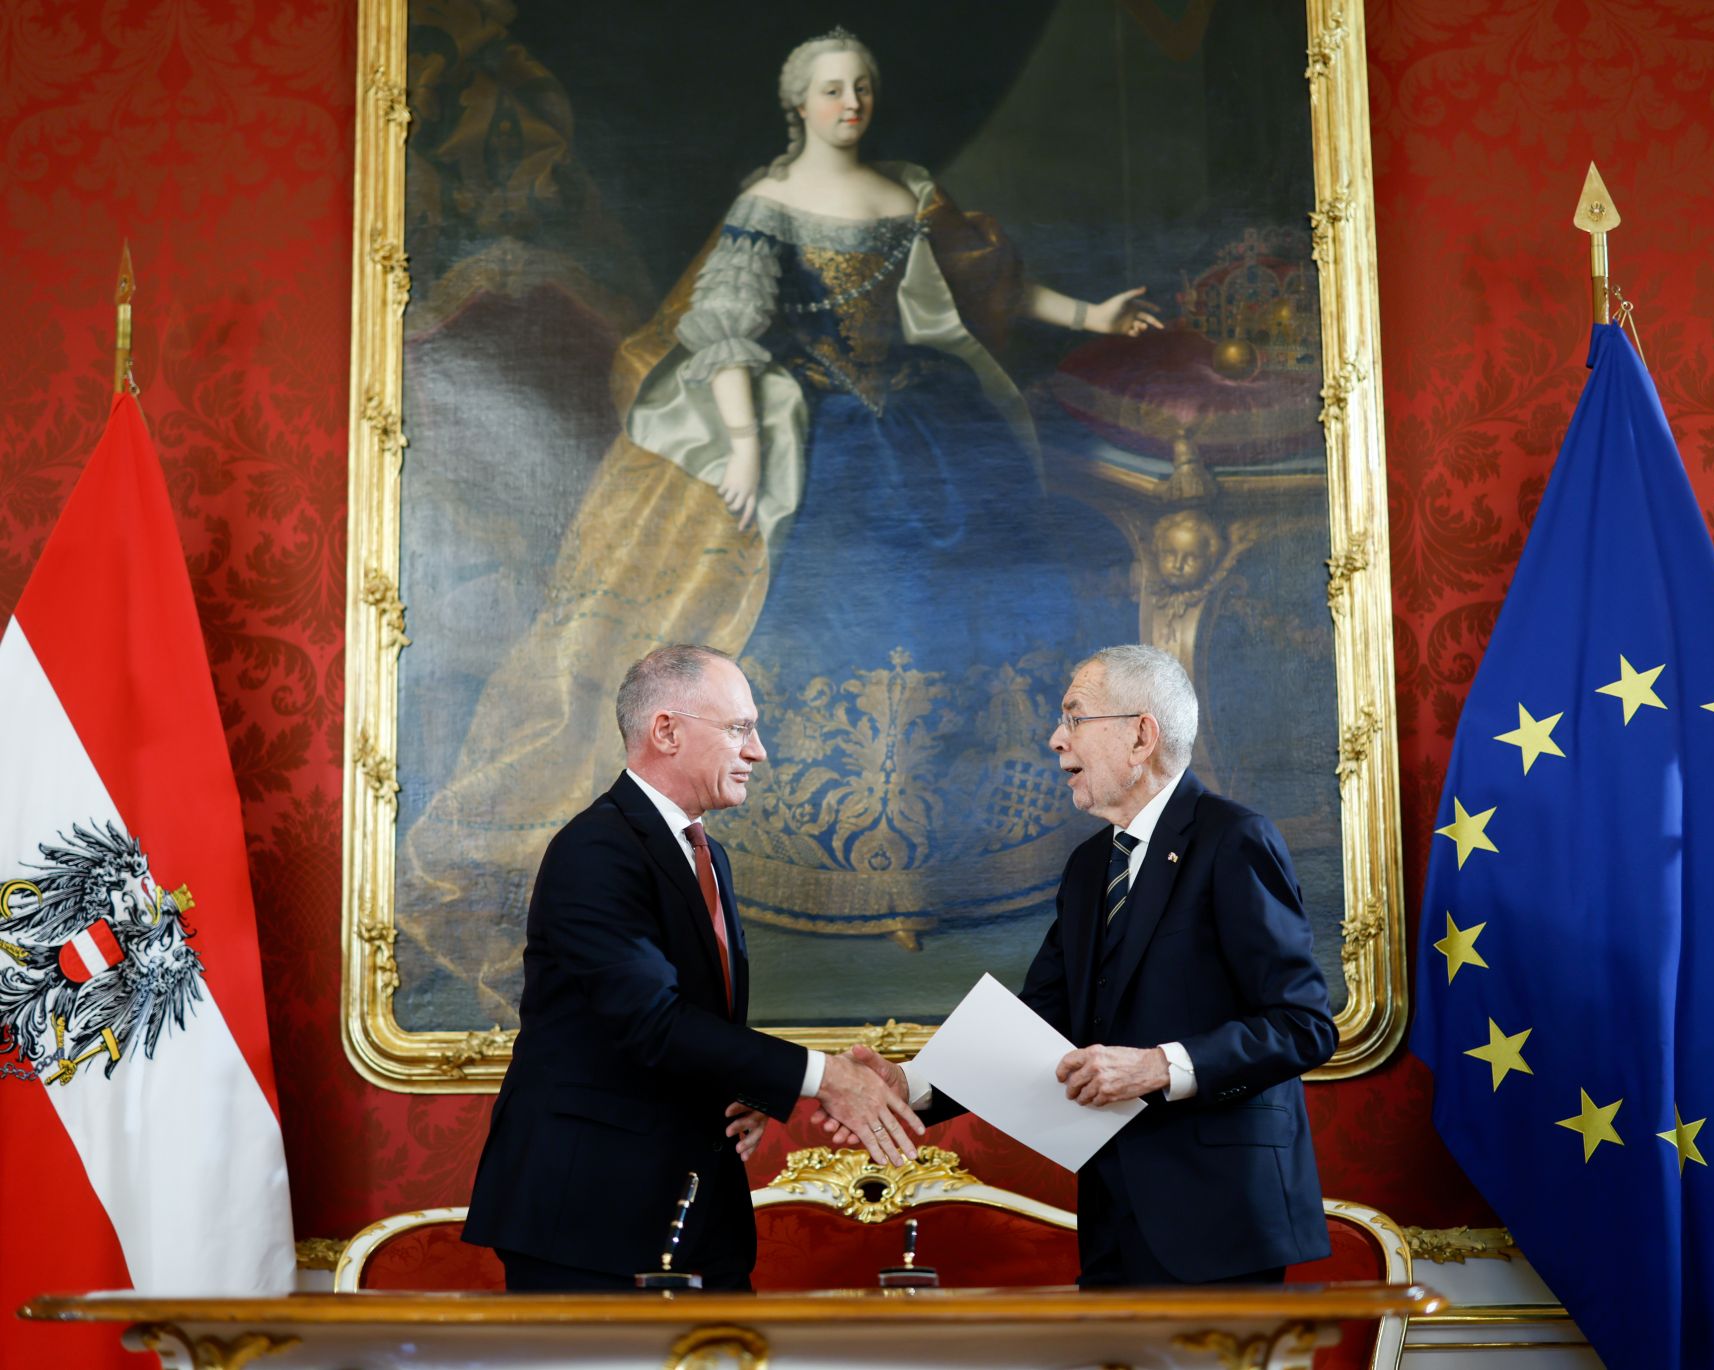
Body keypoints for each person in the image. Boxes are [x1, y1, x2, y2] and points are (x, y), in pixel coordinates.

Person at [400, 26, 1157, 968]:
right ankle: (802, 853)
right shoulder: (768, 202)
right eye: (834, 90)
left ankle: (975, 849)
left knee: (992, 578)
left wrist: (1090, 315)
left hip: (926, 414)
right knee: (835, 585)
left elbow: (987, 289)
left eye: (863, 89)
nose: (852, 105)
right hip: (814, 426)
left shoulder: (909, 189)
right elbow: (720, 331)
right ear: (798, 103)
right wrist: (751, 451)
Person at [825, 643, 1337, 1286]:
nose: (1054, 739)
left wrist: (1158, 1066)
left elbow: (1304, 1025)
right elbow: (1039, 1021)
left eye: (1074, 718)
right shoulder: (1091, 865)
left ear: (1140, 736)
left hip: (1221, 1219)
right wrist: (911, 1087)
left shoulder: (1234, 840)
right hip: (1113, 1215)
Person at [461, 644, 924, 1292]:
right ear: (666, 732)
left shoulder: (706, 855)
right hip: (590, 1219)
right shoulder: (595, 850)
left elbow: (693, 1023)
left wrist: (748, 1090)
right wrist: (827, 1079)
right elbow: (653, 1021)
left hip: (692, 1213)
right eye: (739, 729)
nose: (758, 750)